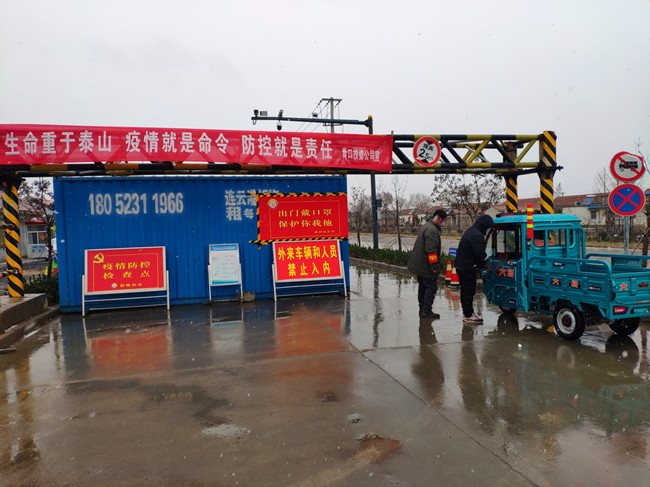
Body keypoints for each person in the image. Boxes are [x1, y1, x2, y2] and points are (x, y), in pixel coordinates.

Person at [408, 209, 447, 319]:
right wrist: (434, 266)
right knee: (431, 287)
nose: (444, 223)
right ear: (439, 219)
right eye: (444, 220)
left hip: (421, 264)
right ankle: (426, 310)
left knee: (423, 287)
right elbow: (431, 250)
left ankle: (422, 309)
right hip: (425, 266)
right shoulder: (432, 230)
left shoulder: (427, 226)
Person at [454, 214, 494, 323]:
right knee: (468, 291)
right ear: (484, 226)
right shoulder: (476, 235)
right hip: (467, 267)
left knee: (465, 291)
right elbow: (479, 253)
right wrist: (485, 263)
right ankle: (468, 315)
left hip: (462, 265)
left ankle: (467, 313)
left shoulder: (471, 231)